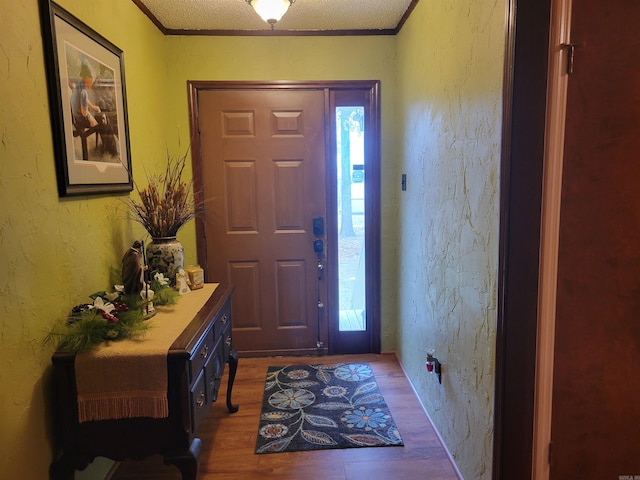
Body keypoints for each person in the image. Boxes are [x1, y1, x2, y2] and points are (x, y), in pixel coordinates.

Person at [70, 62, 101, 129]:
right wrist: (92, 120)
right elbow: (84, 113)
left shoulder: (79, 85)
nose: (92, 82)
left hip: (76, 116)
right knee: (102, 122)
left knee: (98, 116)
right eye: (91, 79)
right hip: (80, 120)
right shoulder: (83, 92)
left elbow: (85, 101)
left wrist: (93, 107)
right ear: (86, 78)